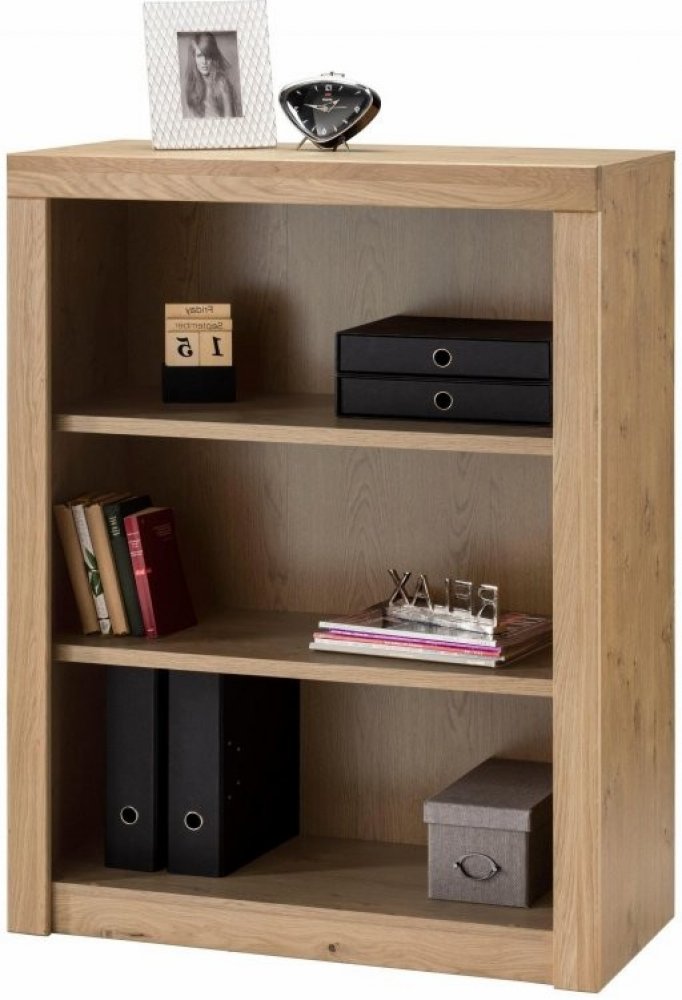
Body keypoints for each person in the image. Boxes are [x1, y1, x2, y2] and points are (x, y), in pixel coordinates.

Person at [183, 33, 241, 119]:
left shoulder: (222, 84)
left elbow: (230, 119)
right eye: (199, 56)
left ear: (213, 57)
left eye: (207, 56)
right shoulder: (192, 84)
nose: (204, 62)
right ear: (194, 58)